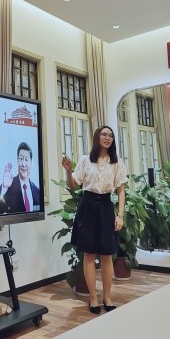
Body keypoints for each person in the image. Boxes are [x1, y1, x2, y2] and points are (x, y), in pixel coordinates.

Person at [61, 126, 127, 314]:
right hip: (87, 206)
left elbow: (121, 191)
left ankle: (107, 296)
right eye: (104, 134)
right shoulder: (85, 160)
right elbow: (74, 185)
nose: (107, 138)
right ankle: (93, 298)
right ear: (97, 137)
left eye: (110, 135)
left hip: (106, 206)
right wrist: (68, 171)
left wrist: (120, 215)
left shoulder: (117, 162)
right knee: (89, 254)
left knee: (107, 254)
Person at [0, 142, 40, 215]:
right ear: (17, 160)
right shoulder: (9, 185)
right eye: (21, 159)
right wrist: (4, 187)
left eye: (26, 159)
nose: (23, 164)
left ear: (31, 162)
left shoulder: (37, 191)